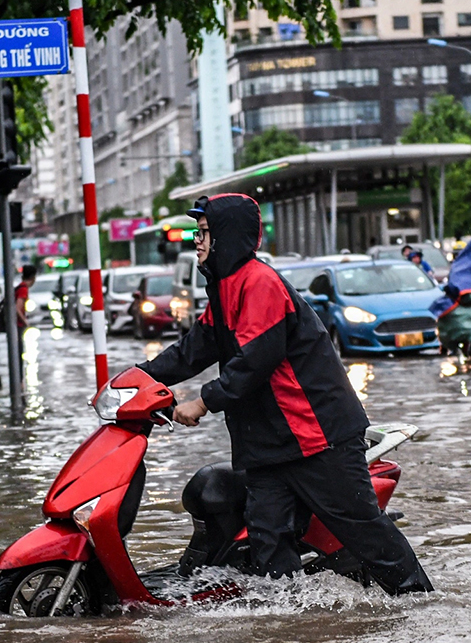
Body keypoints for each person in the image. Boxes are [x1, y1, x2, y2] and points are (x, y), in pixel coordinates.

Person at [138, 194, 432, 596]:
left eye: (204, 233)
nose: (197, 242)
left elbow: (254, 363)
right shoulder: (225, 291)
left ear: (228, 237)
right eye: (197, 233)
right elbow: (193, 349)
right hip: (270, 445)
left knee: (361, 529)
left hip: (317, 437)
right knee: (268, 539)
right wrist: (136, 377)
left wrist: (201, 402)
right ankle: (289, 621)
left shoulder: (259, 284)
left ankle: (419, 601)